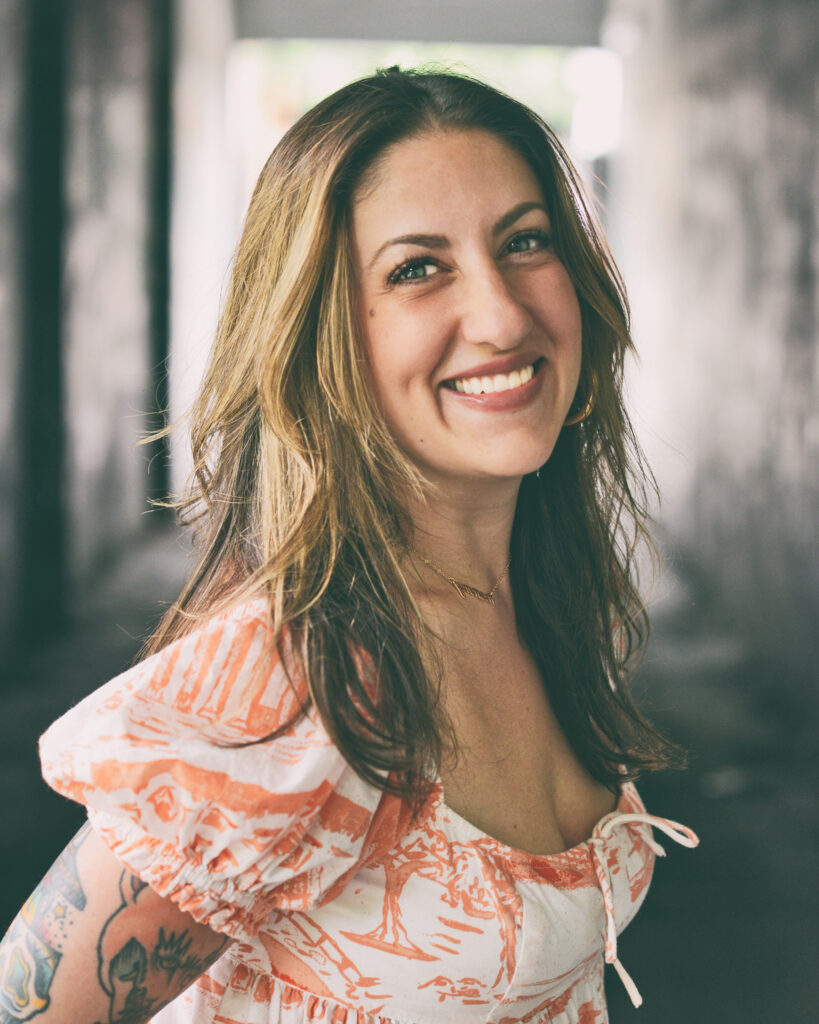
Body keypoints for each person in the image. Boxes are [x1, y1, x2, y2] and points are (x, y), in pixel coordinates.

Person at [0, 67, 697, 1024]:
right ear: (320, 331)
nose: (499, 316)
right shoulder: (300, 681)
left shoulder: (536, 600)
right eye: (417, 267)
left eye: (525, 242)